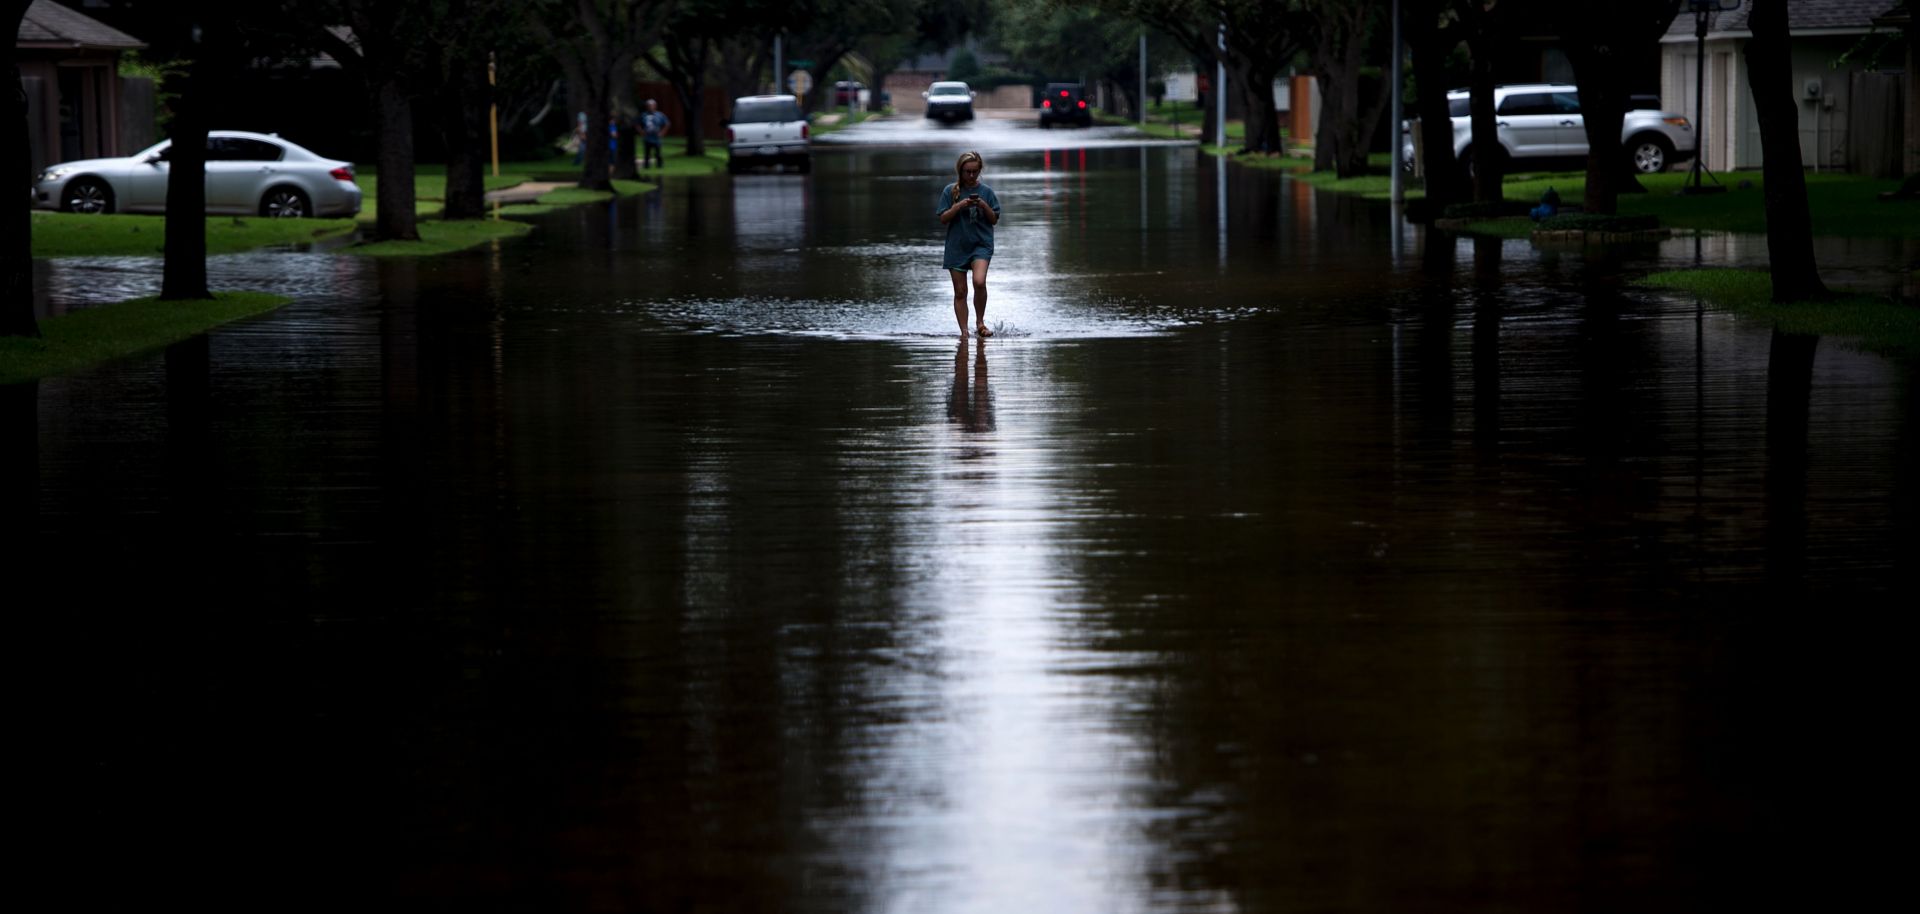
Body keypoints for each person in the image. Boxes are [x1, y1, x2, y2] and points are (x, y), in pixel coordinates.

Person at [935, 150, 1001, 339]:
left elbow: (994, 219)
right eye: (967, 172)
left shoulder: (987, 192)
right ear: (960, 171)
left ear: (979, 171)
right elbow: (943, 218)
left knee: (979, 282)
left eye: (974, 171)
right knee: (960, 291)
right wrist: (958, 206)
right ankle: (964, 332)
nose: (971, 176)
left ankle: (980, 323)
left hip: (981, 244)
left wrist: (983, 205)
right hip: (957, 246)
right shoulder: (950, 191)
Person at [638, 99, 670, 170]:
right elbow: (637, 124)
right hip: (647, 137)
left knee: (658, 153)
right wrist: (641, 132)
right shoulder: (643, 115)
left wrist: (662, 132)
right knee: (647, 154)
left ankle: (659, 166)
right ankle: (646, 166)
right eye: (649, 106)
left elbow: (667, 124)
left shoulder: (660, 115)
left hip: (657, 138)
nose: (650, 107)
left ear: (655, 106)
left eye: (652, 105)